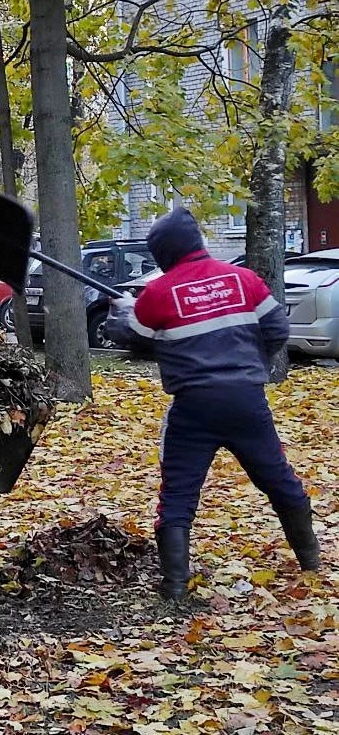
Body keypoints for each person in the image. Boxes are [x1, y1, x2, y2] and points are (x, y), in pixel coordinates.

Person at [105, 206, 319, 601]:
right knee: (277, 478)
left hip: (194, 407)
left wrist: (122, 314)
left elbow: (133, 337)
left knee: (178, 494)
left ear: (163, 253)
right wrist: (249, 365)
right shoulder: (245, 280)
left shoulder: (157, 292)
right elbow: (276, 330)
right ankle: (311, 561)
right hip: (246, 400)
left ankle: (173, 587)